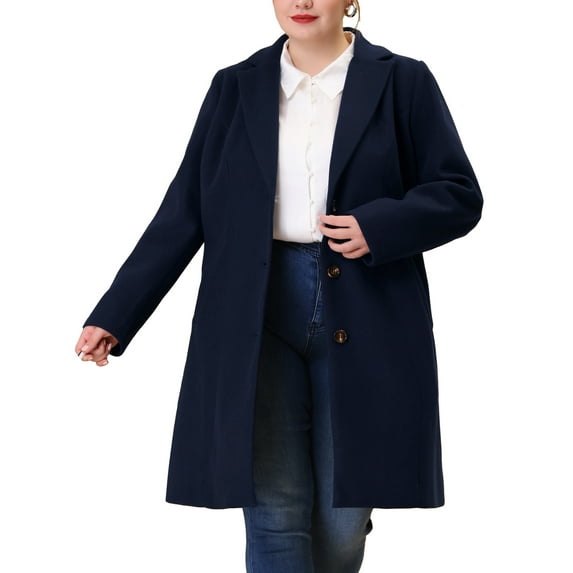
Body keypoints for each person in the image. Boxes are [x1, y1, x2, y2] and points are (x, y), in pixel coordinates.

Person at [75, 1, 483, 571]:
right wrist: (116, 314)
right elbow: (185, 209)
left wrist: (379, 226)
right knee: (275, 514)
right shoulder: (234, 87)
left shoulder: (403, 81)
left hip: (368, 310)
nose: (302, 2)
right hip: (255, 310)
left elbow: (458, 193)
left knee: (341, 524)